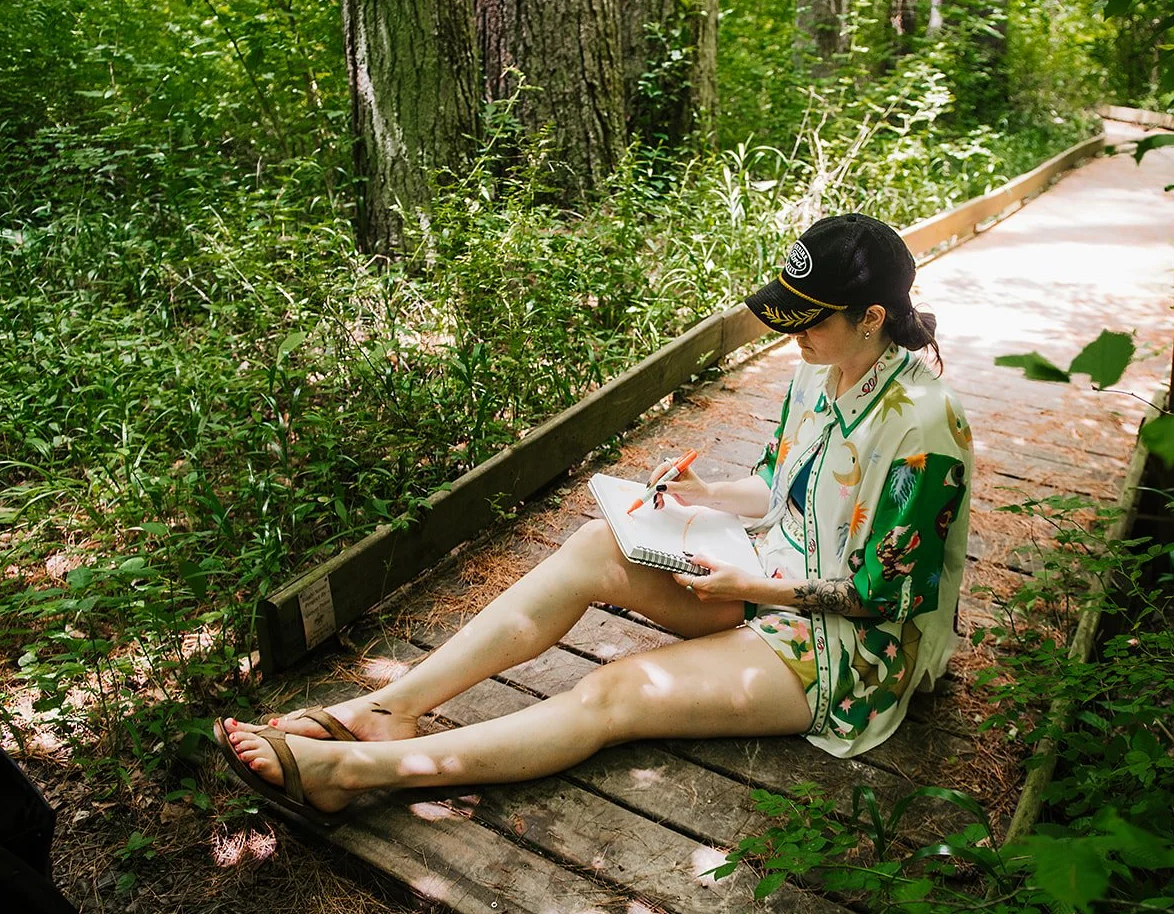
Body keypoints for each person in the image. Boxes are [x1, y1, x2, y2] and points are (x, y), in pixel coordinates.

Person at [216, 213, 974, 826]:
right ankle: (387, 708)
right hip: (773, 575)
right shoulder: (820, 371)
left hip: (852, 649)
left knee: (617, 692)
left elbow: (885, 595)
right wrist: (705, 494)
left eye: (809, 319)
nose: (793, 335)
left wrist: (754, 585)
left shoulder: (926, 426)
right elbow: (780, 486)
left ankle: (348, 770)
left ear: (873, 316)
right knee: (592, 545)